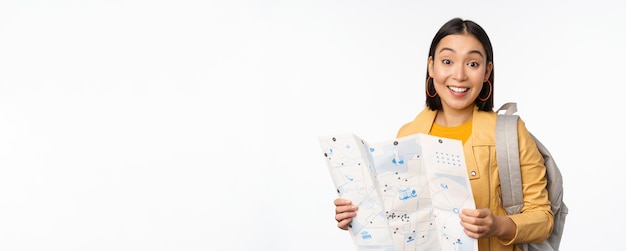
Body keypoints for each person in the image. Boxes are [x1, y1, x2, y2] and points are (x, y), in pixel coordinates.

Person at [333, 17, 553, 251]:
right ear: (431, 66)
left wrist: (498, 225)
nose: (459, 75)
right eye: (447, 61)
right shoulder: (407, 135)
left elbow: (544, 219)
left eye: (472, 64)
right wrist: (359, 215)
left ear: (487, 71)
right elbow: (400, 219)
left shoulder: (510, 133)